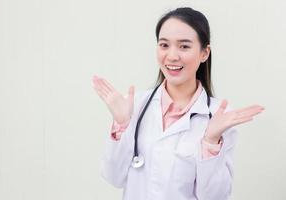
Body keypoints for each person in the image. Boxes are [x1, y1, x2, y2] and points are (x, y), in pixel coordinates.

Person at [92, 7, 264, 200]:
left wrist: (210, 141)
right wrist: (122, 123)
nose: (172, 56)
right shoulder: (136, 105)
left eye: (184, 46)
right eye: (164, 45)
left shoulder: (218, 116)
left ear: (204, 53)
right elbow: (113, 177)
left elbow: (215, 197)